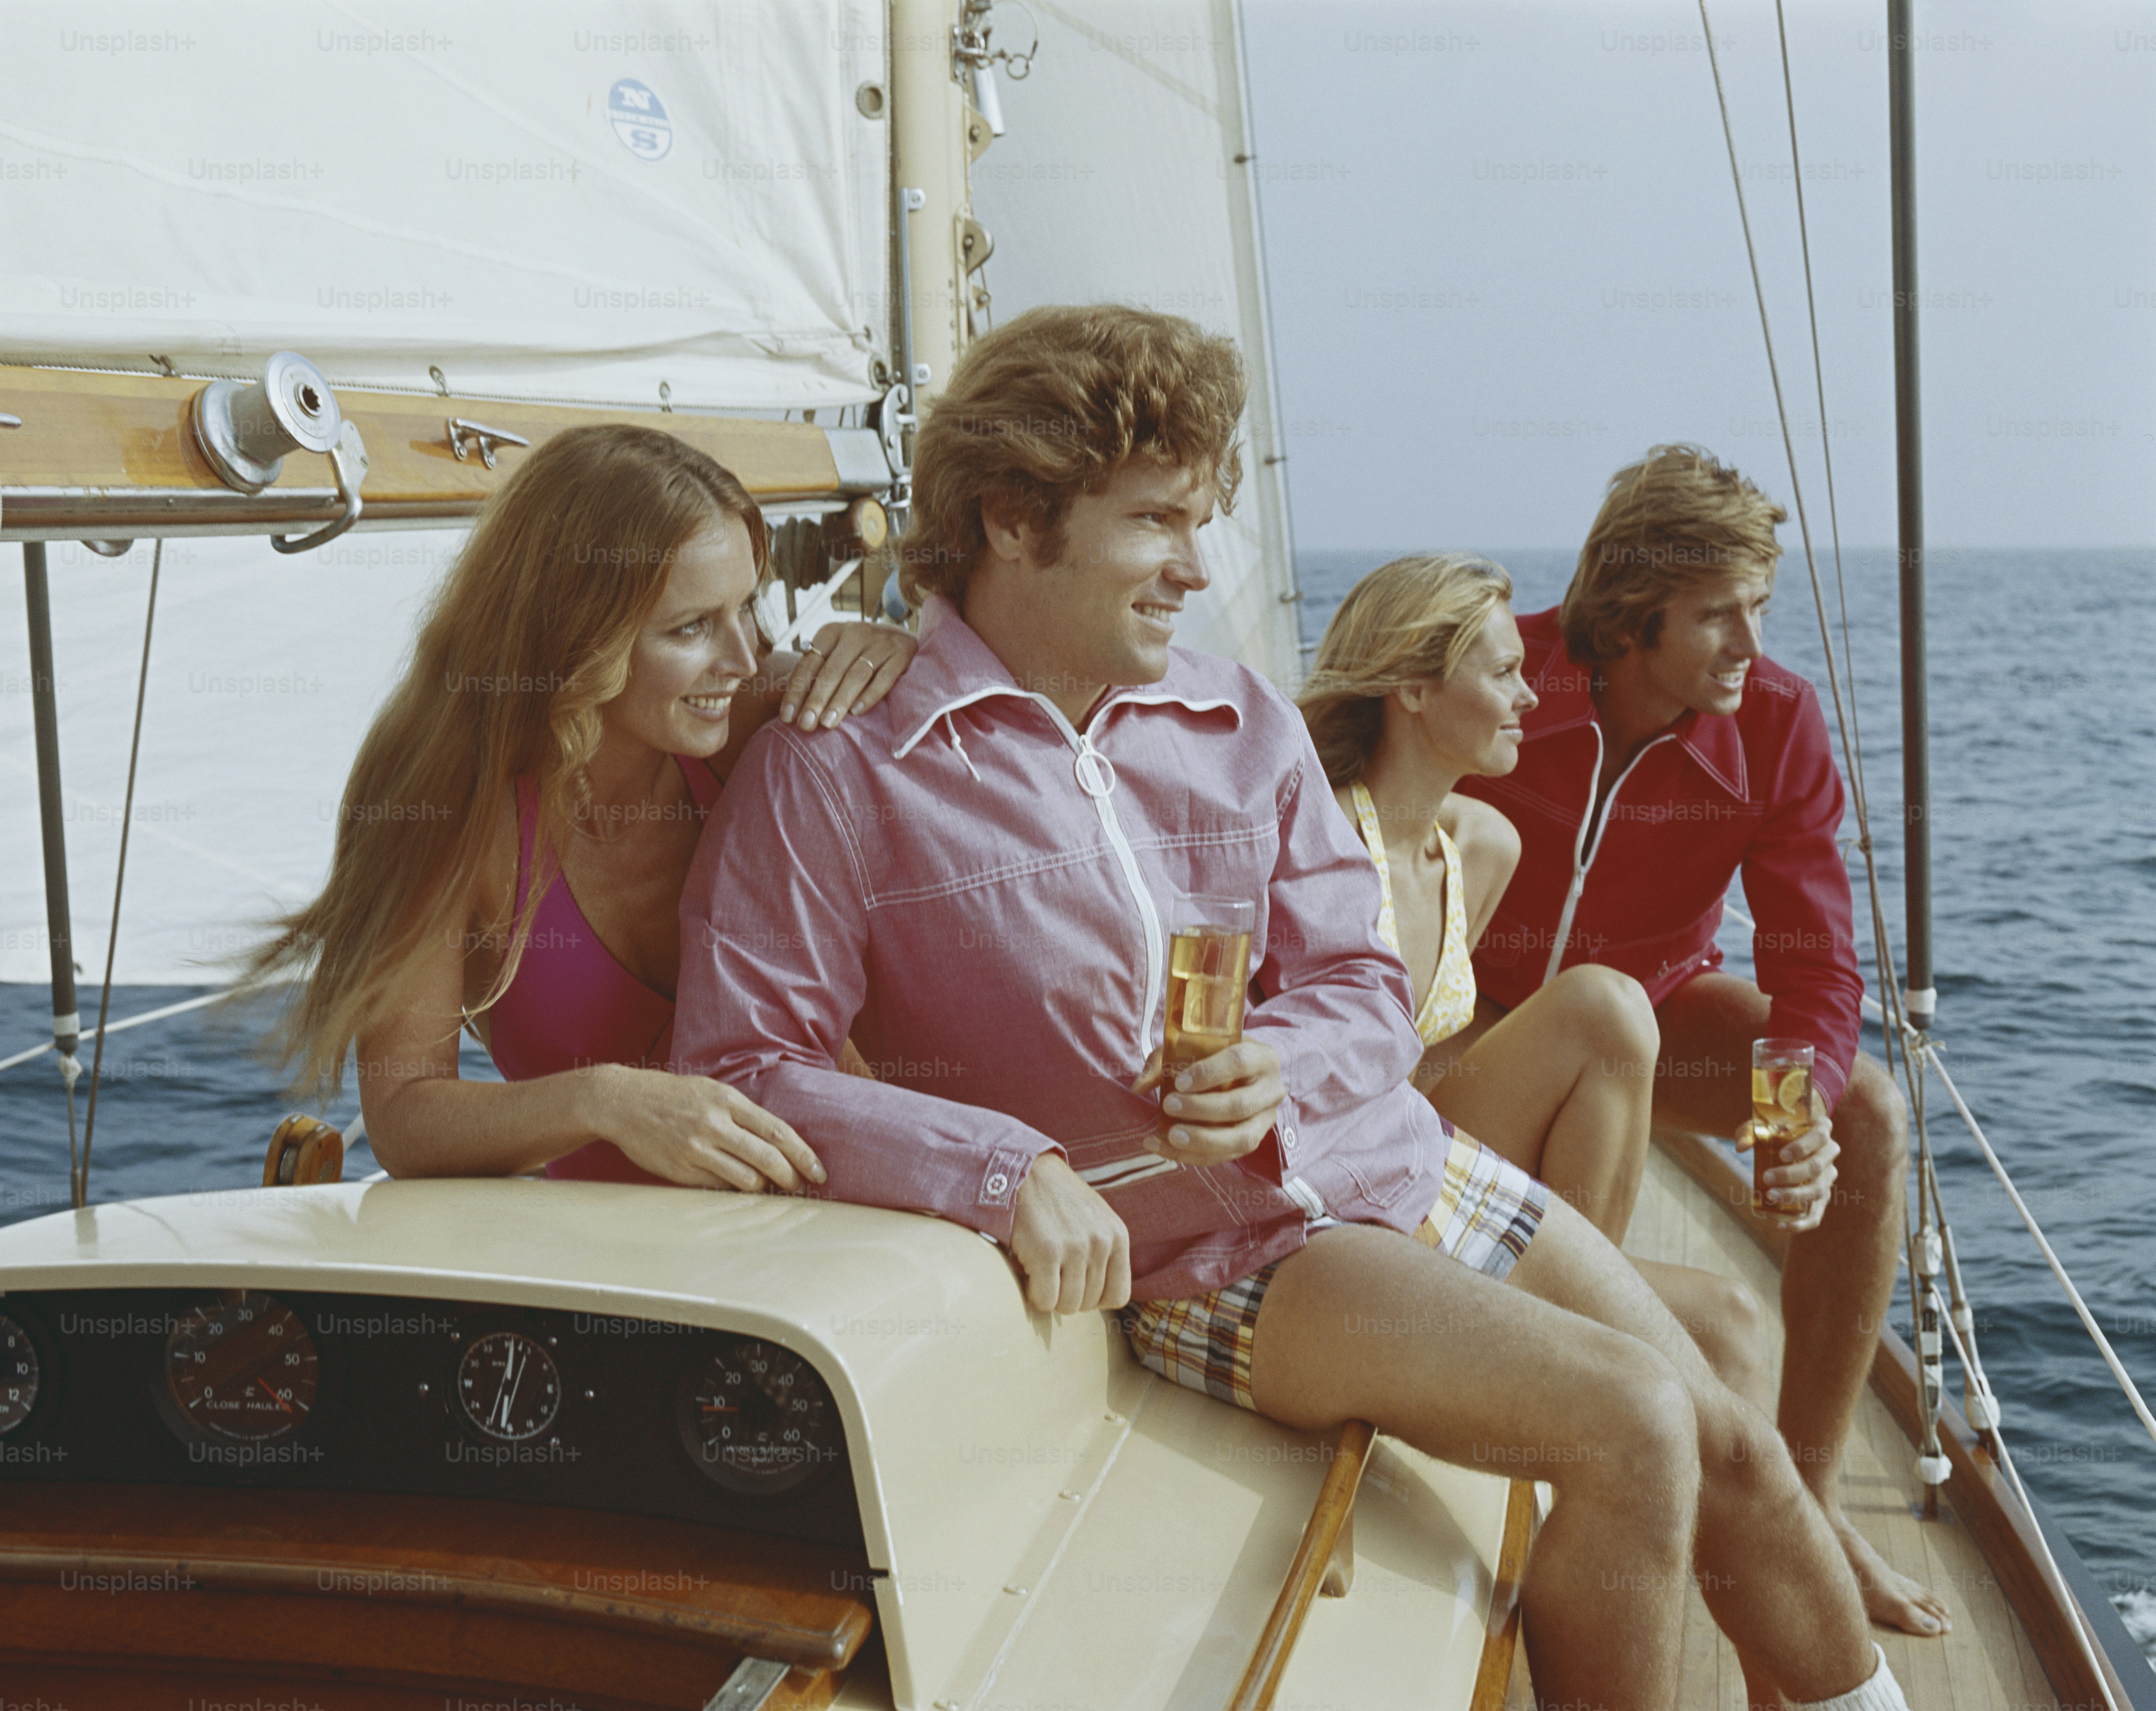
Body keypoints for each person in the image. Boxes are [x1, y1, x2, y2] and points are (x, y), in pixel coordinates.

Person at [675, 305, 1912, 1711]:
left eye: (1201, 520)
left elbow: (1362, 984)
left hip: (1392, 1153)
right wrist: (1001, 1165)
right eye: (1155, 521)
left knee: (1729, 1442)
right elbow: (747, 1063)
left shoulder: (1235, 718)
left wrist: (1277, 1057)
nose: (1195, 568)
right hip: (1218, 1247)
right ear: (1014, 519)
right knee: (1634, 1422)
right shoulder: (846, 760)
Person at [1451, 443, 1947, 1637]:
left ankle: (1808, 1498)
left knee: (1863, 1111)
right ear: (1629, 615)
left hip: (1655, 1020)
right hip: (1468, 1023)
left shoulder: (1772, 722)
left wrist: (1792, 1107)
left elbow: (1813, 960)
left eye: (1758, 609)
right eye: (1716, 613)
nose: (1747, 642)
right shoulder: (1492, 670)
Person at [243, 424, 915, 1190]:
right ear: (577, 633)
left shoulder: (760, 717)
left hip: (870, 1226)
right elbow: (402, 1116)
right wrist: (606, 1101)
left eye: (746, 608)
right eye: (691, 627)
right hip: (624, 1275)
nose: (742, 658)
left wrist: (899, 657)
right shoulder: (440, 806)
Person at [1297, 552, 1776, 1409]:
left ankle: (1591, 1330)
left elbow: (1425, 1062)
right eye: (1507, 674)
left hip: (1415, 1162)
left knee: (1736, 1320)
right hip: (1334, 1207)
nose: (1531, 698)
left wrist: (1788, 1114)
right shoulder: (1318, 838)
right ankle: (1591, 1340)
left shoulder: (1481, 847)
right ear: (1410, 686)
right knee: (1607, 1006)